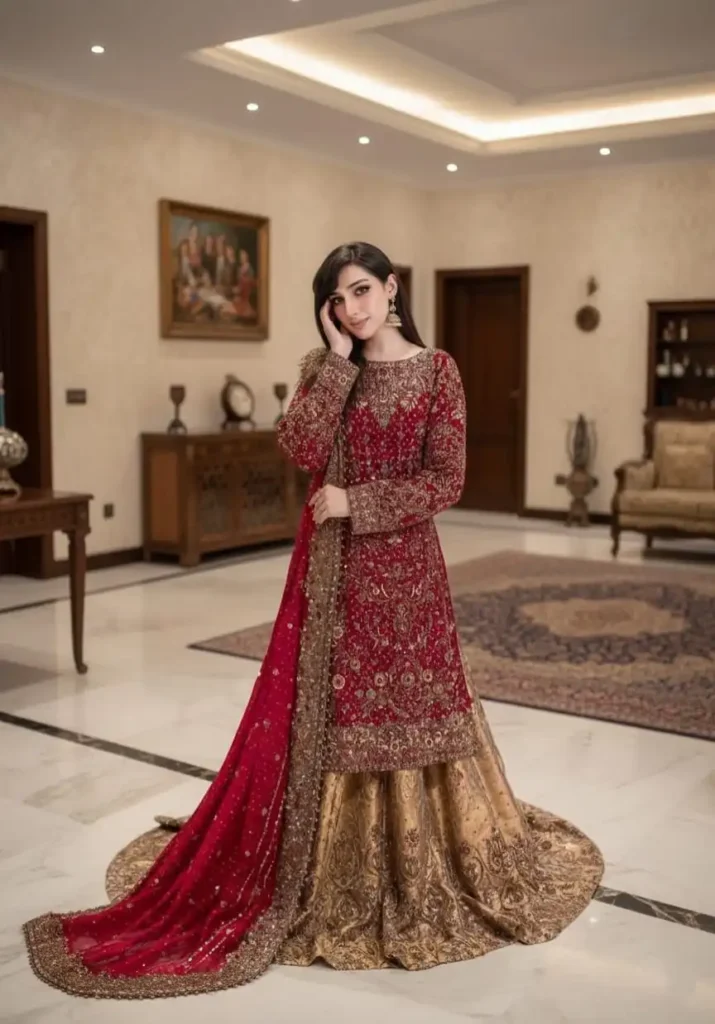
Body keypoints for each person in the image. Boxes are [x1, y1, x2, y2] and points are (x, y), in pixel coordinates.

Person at [23, 242, 603, 999]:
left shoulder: (439, 371)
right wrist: (334, 362)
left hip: (409, 576)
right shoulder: (327, 368)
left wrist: (357, 502)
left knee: (413, 705)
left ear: (392, 288)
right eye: (337, 299)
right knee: (334, 709)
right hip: (332, 576)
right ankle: (328, 862)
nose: (352, 309)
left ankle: (418, 866)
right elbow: (298, 447)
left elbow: (447, 478)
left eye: (362, 291)